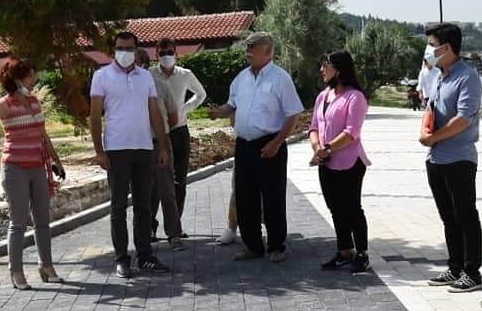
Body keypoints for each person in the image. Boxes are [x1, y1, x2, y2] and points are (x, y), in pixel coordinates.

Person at [207, 33, 304, 262]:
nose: (248, 52)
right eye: (247, 47)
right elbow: (231, 105)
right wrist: (218, 112)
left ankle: (276, 246)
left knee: (273, 196)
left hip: (270, 144)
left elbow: (293, 114)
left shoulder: (280, 78)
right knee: (244, 196)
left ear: (268, 51)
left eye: (253, 47)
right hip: (244, 146)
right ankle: (253, 245)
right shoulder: (241, 78)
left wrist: (277, 142)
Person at [90, 30, 171, 278]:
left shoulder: (145, 77)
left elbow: (154, 112)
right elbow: (95, 117)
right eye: (120, 48)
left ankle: (144, 255)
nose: (124, 52)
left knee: (143, 205)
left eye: (129, 48)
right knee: (118, 206)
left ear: (136, 50)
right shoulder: (101, 77)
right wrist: (99, 151)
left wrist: (163, 146)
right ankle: (121, 258)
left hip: (144, 148)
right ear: (113, 50)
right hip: (116, 150)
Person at [0, 56, 64, 289]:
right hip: (15, 169)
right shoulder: (5, 104)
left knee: (42, 220)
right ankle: (16, 271)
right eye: (30, 76)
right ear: (17, 79)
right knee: (18, 222)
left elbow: (43, 135)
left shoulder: (35, 102)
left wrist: (56, 161)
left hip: (38, 167)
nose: (34, 80)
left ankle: (46, 266)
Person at [420, 23, 482, 292]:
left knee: (465, 215)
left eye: (432, 45)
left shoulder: (467, 77)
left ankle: (472, 272)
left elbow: (463, 119)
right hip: (436, 159)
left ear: (446, 48)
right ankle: (455, 266)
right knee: (448, 217)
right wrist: (425, 132)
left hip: (459, 159)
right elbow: (430, 108)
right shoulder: (439, 76)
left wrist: (434, 137)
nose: (428, 50)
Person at [309, 50, 372, 273]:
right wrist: (317, 147)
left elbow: (351, 132)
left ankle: (362, 254)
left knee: (352, 208)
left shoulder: (355, 97)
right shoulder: (323, 96)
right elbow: (314, 127)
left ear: (338, 69)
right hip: (326, 162)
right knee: (335, 207)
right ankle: (344, 251)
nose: (321, 70)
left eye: (325, 65)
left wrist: (327, 148)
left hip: (350, 163)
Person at [149, 38, 208, 234]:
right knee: (155, 183)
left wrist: (184, 109)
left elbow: (201, 94)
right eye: (162, 53)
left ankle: (176, 226)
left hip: (180, 132)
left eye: (170, 52)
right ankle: (150, 227)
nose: (166, 56)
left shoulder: (185, 74)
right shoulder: (149, 75)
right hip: (158, 134)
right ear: (156, 55)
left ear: (176, 53)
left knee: (179, 181)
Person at [135, 47, 187, 250]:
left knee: (167, 191)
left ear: (143, 65)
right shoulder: (125, 89)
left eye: (135, 63)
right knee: (143, 193)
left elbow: (173, 117)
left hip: (159, 144)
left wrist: (162, 134)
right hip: (137, 146)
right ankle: (146, 232)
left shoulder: (160, 85)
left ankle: (174, 234)